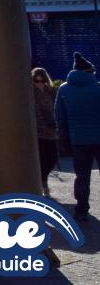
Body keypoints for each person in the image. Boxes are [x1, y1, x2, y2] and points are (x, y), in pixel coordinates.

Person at [56, 52, 100, 220]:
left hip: (77, 140)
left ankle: (81, 209)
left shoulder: (63, 89)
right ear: (90, 72)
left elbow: (59, 116)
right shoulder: (98, 88)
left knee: (82, 176)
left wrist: (64, 138)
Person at [34, 66, 59, 196]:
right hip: (38, 131)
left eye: (42, 81)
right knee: (43, 160)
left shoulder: (51, 92)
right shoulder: (31, 94)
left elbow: (57, 108)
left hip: (52, 130)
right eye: (36, 81)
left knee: (52, 158)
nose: (39, 83)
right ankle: (44, 183)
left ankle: (43, 179)